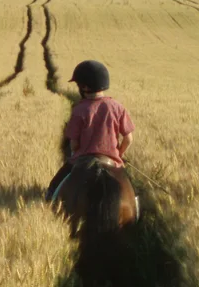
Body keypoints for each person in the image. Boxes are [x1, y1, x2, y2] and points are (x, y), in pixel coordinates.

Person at [46, 60, 135, 201]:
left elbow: (74, 144)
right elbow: (129, 139)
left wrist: (76, 153)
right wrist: (119, 154)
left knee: (54, 186)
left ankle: (49, 198)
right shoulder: (118, 107)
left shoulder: (79, 110)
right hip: (113, 159)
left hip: (82, 160)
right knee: (130, 192)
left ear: (84, 87)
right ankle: (136, 212)